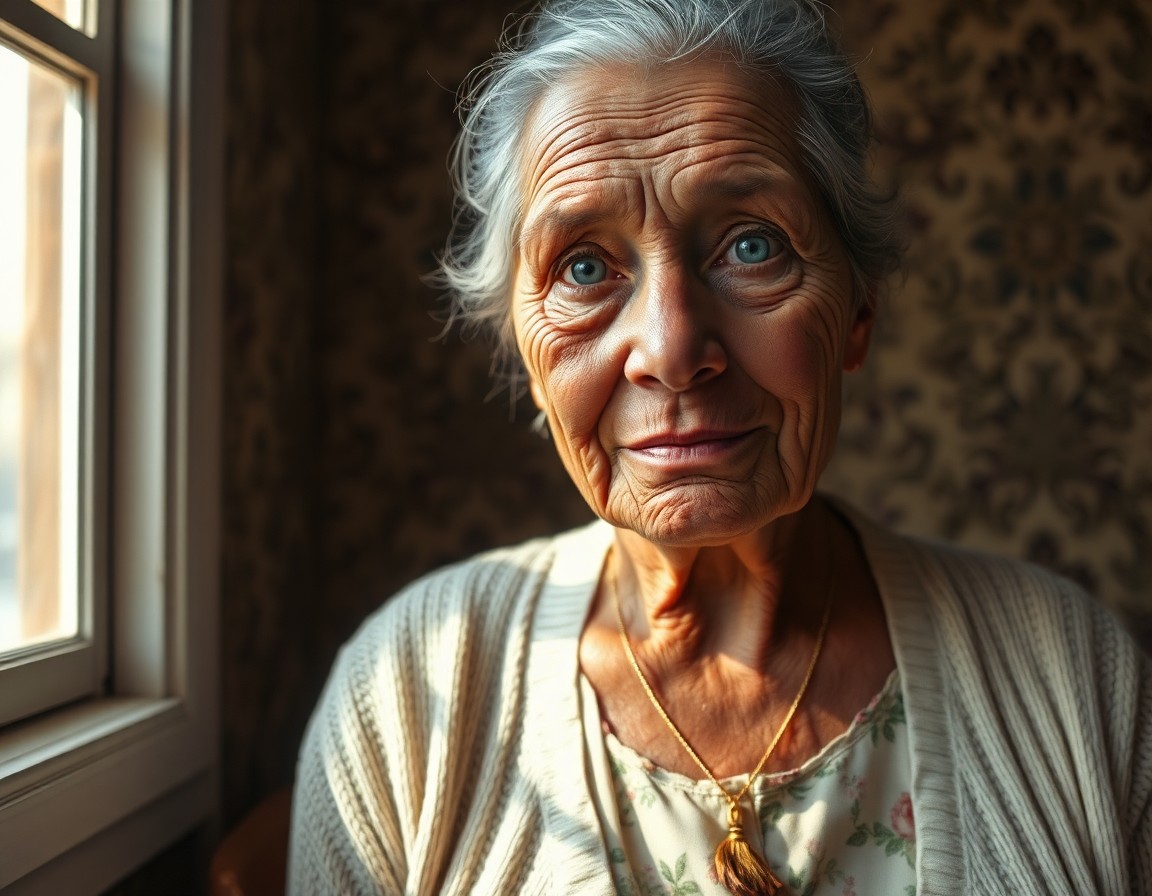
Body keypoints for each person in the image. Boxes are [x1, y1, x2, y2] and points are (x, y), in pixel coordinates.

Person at [288, 0, 1152, 893]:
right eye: (585, 267)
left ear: (856, 313)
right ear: (526, 350)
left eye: (751, 246)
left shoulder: (1072, 675)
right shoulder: (409, 695)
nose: (670, 350)